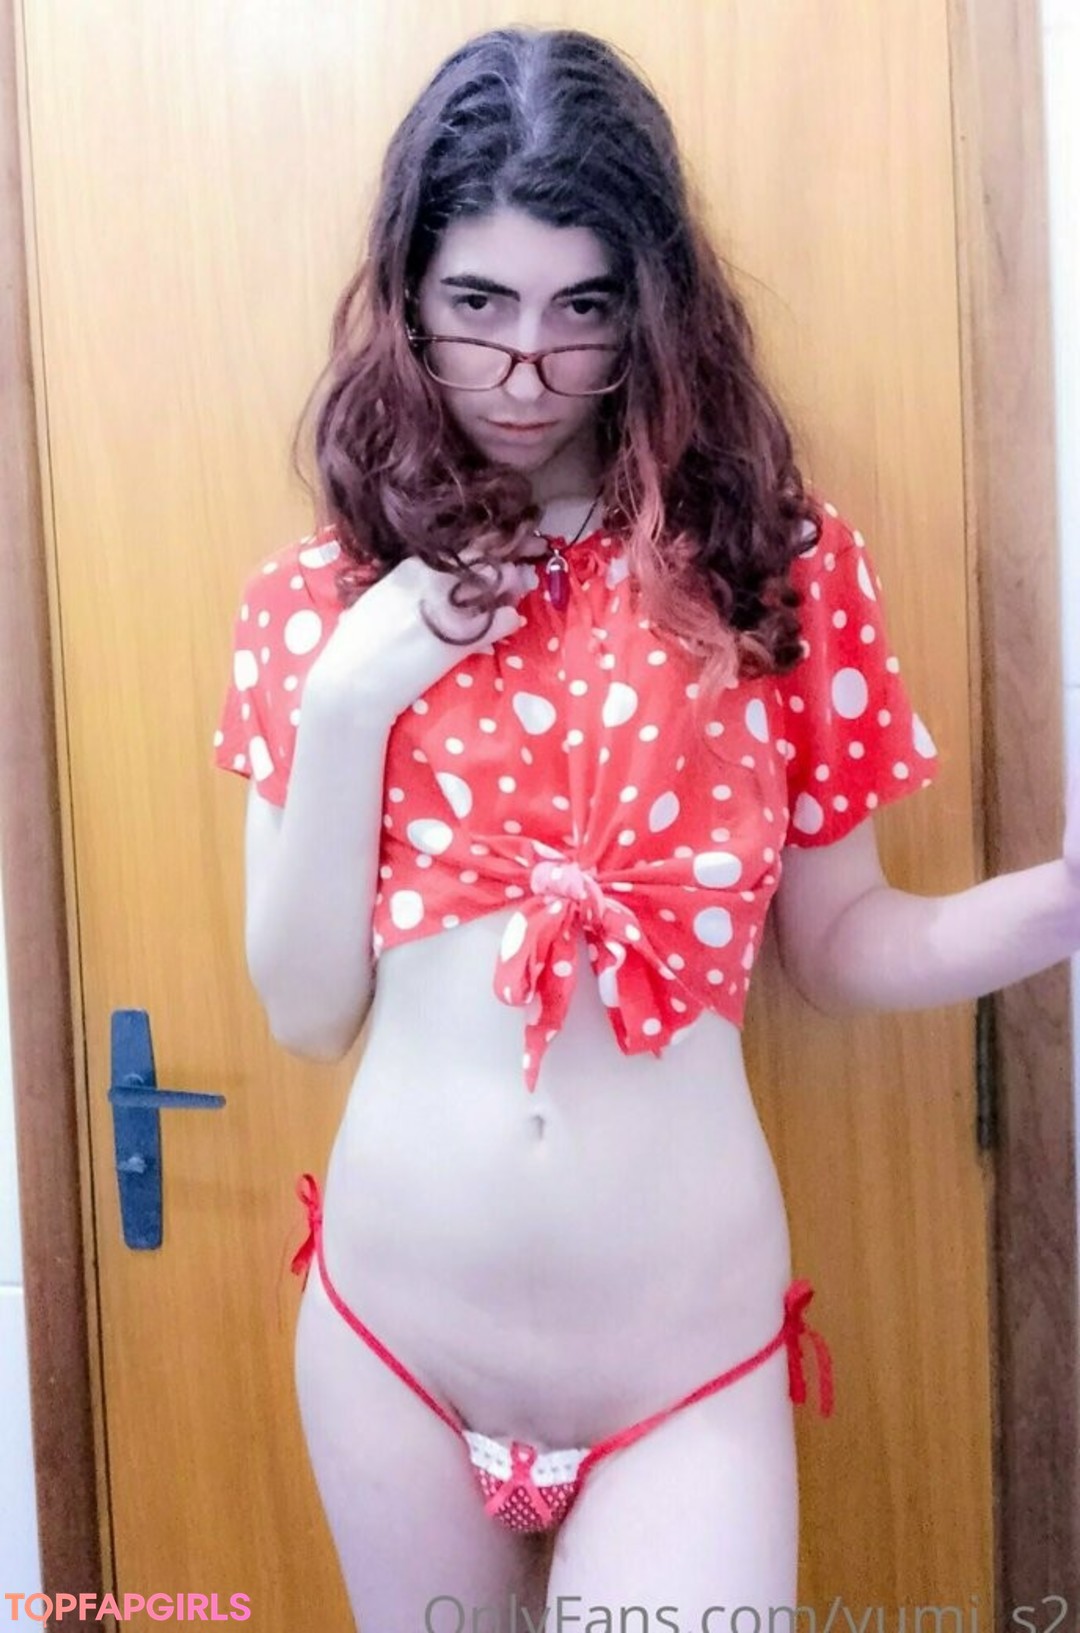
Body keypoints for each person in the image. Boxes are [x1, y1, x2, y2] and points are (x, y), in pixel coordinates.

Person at [212, 24, 1080, 1631]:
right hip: (394, 1341)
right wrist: (348, 703)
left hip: (682, 1364)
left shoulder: (773, 562)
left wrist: (1060, 904)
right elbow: (305, 1009)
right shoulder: (323, 599)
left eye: (583, 308)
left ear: (651, 307)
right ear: (407, 294)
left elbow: (841, 942)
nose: (526, 367)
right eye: (479, 304)